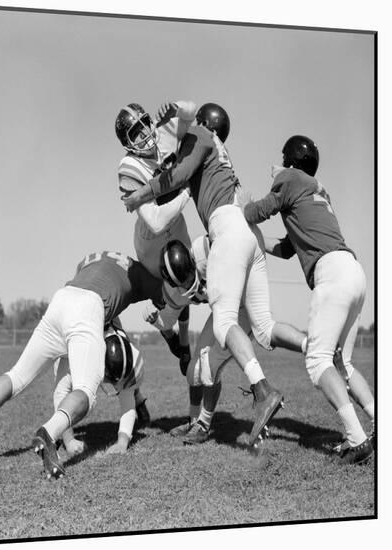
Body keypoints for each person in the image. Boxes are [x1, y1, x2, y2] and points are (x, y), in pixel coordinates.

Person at [123, 103, 298, 445]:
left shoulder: (201, 136)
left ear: (203, 125)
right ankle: (318, 348)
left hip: (228, 231)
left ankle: (262, 390)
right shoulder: (219, 151)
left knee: (223, 323)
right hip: (249, 235)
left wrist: (140, 194)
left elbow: (174, 176)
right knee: (263, 326)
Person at [0, 250, 164, 479]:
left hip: (62, 300)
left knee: (16, 376)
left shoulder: (96, 259)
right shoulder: (149, 280)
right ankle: (48, 433)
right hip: (89, 309)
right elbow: (168, 301)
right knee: (85, 392)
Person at [237, 135, 375, 464]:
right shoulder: (315, 187)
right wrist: (261, 242)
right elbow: (288, 248)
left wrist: (244, 203)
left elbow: (257, 211)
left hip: (332, 273)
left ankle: (357, 440)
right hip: (353, 269)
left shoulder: (289, 178)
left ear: (289, 161)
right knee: (343, 364)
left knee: (317, 361)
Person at [147, 236, 306, 446]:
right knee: (193, 371)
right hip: (222, 309)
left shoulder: (210, 248)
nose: (187, 285)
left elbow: (242, 235)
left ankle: (203, 425)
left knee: (209, 366)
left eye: (187, 277)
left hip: (243, 306)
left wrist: (277, 246)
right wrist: (156, 319)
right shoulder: (173, 289)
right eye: (181, 283)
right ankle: (193, 420)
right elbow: (168, 319)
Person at [115, 100, 198, 427]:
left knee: (187, 287)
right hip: (153, 236)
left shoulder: (162, 135)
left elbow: (193, 113)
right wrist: (188, 190)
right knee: (168, 289)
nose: (145, 133)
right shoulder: (129, 167)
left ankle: (182, 341)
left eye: (145, 123)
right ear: (127, 142)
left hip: (177, 225)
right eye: (136, 131)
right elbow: (157, 220)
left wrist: (178, 108)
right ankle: (169, 329)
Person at [54, 321, 145, 456]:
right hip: (75, 333)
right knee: (72, 393)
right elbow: (61, 392)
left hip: (106, 325)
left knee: (129, 388)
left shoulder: (134, 360)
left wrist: (122, 442)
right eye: (108, 379)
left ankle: (138, 398)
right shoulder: (76, 354)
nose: (110, 384)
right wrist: (69, 440)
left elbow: (127, 404)